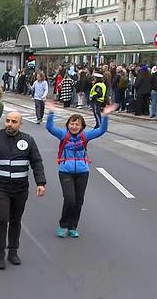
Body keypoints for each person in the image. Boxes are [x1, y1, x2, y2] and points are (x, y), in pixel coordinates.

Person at [0, 112, 46, 270]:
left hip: (21, 188)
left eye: (14, 121)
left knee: (15, 220)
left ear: (20, 124)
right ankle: (0, 253)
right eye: (7, 121)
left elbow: (36, 162)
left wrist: (40, 183)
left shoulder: (28, 140)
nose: (9, 124)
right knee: (2, 219)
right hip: (1, 187)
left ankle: (13, 251)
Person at [46, 101, 114, 238]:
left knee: (79, 201)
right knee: (70, 199)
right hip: (65, 171)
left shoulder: (85, 136)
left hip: (83, 172)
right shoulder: (62, 135)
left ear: (82, 126)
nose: (74, 126)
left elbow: (102, 130)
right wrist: (51, 112)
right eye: (72, 123)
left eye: (77, 124)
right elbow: (49, 127)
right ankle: (63, 225)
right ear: (68, 125)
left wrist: (105, 115)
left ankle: (73, 227)